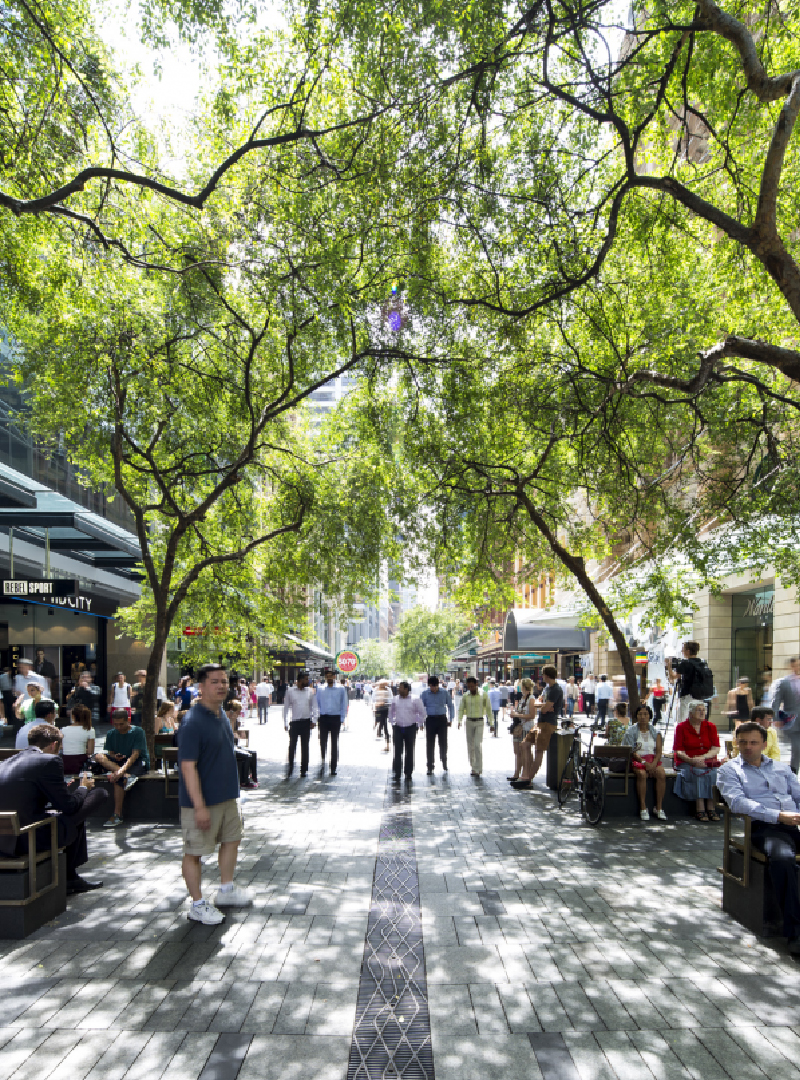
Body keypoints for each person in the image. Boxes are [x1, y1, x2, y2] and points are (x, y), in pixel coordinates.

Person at [718, 721, 800, 955]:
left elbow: (798, 795)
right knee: (783, 859)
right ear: (736, 743)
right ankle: (794, 931)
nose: (748, 747)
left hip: (792, 824)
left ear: (764, 744)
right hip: (764, 827)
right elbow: (738, 802)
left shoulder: (782, 768)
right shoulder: (730, 770)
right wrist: (778, 815)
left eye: (754, 742)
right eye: (743, 742)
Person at [0, 723, 107, 894]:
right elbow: (69, 806)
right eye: (60, 748)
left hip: (4, 839)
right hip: (28, 836)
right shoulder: (50, 760)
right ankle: (70, 877)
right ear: (54, 745)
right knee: (98, 794)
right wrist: (83, 788)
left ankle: (71, 876)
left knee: (71, 816)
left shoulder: (5, 763)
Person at [178, 664, 248, 924]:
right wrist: (199, 806)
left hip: (227, 797)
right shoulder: (192, 721)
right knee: (195, 852)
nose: (221, 686)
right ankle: (197, 904)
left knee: (232, 840)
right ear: (201, 685)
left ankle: (226, 890)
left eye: (224, 681)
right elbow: (187, 765)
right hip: (202, 801)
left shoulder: (220, 714)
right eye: (215, 681)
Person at [93, 709, 150, 827]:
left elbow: (135, 755)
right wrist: (115, 757)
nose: (118, 727)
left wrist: (120, 771)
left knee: (118, 779)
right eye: (115, 724)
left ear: (128, 721)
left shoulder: (138, 732)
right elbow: (111, 753)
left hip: (137, 762)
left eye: (121, 724)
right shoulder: (111, 733)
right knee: (98, 756)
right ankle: (127, 776)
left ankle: (117, 814)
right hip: (120, 763)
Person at [511, 666, 563, 789]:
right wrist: (543, 705)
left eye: (543, 674)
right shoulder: (547, 689)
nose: (542, 677)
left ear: (547, 675)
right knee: (524, 744)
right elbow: (541, 704)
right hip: (540, 723)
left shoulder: (556, 689)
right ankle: (526, 775)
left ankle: (528, 779)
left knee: (539, 750)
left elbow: (543, 709)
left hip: (548, 723)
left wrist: (543, 706)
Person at [673, 699, 721, 821]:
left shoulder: (711, 726)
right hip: (687, 762)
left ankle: (711, 807)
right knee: (698, 772)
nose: (702, 712)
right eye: (698, 710)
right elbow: (678, 751)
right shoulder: (681, 727)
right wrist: (691, 760)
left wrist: (703, 757)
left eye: (703, 710)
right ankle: (700, 808)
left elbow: (716, 748)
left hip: (707, 761)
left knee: (713, 773)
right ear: (690, 714)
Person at [623, 704, 667, 820]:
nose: (643, 717)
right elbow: (631, 751)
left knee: (661, 773)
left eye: (645, 714)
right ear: (636, 716)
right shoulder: (631, 731)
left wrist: (653, 764)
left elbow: (658, 752)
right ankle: (643, 807)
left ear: (650, 716)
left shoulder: (655, 732)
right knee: (642, 774)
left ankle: (659, 808)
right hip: (637, 760)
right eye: (640, 714)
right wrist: (643, 762)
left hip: (652, 760)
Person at [388, 681, 425, 782]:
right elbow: (391, 712)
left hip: (410, 727)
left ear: (406, 689)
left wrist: (418, 724)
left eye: (400, 688)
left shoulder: (415, 699)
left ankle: (408, 773)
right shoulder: (395, 699)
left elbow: (422, 712)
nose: (398, 689)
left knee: (409, 751)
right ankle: (397, 773)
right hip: (398, 727)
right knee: (397, 751)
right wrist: (392, 723)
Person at [283, 671, 317, 778]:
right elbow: (286, 707)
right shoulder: (290, 691)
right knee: (292, 746)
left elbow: (314, 706)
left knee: (305, 746)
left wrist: (314, 720)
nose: (308, 681)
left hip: (306, 722)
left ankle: (304, 769)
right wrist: (285, 722)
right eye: (306, 679)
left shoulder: (310, 691)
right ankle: (290, 767)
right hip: (295, 722)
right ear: (300, 680)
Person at [316, 669, 348, 776]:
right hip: (323, 718)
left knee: (334, 743)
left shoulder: (341, 689)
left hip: (335, 718)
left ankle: (333, 766)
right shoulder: (320, 689)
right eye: (327, 676)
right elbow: (317, 704)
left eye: (331, 676)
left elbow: (344, 704)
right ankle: (323, 761)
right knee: (322, 742)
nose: (329, 678)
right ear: (325, 677)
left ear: (334, 677)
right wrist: (316, 717)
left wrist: (342, 719)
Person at [668, 640, 708, 724]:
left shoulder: (685, 663)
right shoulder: (703, 663)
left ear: (688, 651)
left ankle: (683, 737)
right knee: (697, 723)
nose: (682, 652)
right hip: (699, 697)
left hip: (687, 697)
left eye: (683, 649)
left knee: (683, 722)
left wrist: (669, 665)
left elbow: (672, 678)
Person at [420, 676, 454, 774]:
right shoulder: (425, 694)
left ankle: (444, 762)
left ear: (438, 685)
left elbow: (450, 706)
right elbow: (421, 709)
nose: (433, 688)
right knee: (430, 744)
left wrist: (451, 718)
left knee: (443, 743)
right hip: (430, 720)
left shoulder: (444, 693)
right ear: (429, 685)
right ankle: (430, 765)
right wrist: (421, 722)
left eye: (435, 686)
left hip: (442, 720)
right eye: (431, 686)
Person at [458, 676, 491, 777]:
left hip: (479, 721)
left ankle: (478, 768)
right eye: (469, 687)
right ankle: (473, 766)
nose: (471, 688)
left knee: (477, 744)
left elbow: (489, 709)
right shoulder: (465, 696)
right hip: (469, 722)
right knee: (470, 745)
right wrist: (459, 720)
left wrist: (492, 723)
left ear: (476, 685)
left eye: (472, 686)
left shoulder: (483, 695)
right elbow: (461, 708)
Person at [772, 658, 800, 773]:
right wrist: (775, 718)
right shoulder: (784, 682)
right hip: (792, 722)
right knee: (797, 748)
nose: (797, 667)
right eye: (795, 665)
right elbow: (776, 702)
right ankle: (793, 775)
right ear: (791, 666)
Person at [507, 677, 536, 785]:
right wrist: (514, 713)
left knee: (525, 751)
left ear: (525, 687)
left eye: (521, 687)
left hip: (526, 727)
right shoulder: (522, 698)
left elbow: (532, 715)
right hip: (518, 726)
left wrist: (517, 714)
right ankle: (516, 773)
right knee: (517, 751)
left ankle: (526, 773)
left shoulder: (531, 698)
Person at [226, 700, 258, 789]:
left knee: (253, 753)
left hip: (233, 745)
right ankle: (244, 781)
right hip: (228, 747)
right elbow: (229, 735)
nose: (239, 713)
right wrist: (232, 721)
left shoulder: (234, 719)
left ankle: (253, 776)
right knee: (247, 756)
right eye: (238, 711)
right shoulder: (227, 719)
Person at [60, 704, 96, 775]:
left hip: (65, 762)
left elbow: (61, 747)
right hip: (81, 763)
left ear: (73, 716)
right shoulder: (90, 730)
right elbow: (90, 751)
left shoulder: (63, 730)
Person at [373, 679, 393, 750]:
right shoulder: (376, 690)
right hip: (379, 709)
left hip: (385, 709)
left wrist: (384, 702)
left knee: (385, 725)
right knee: (383, 724)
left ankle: (387, 743)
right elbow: (374, 699)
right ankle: (387, 742)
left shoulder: (388, 690)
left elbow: (391, 699)